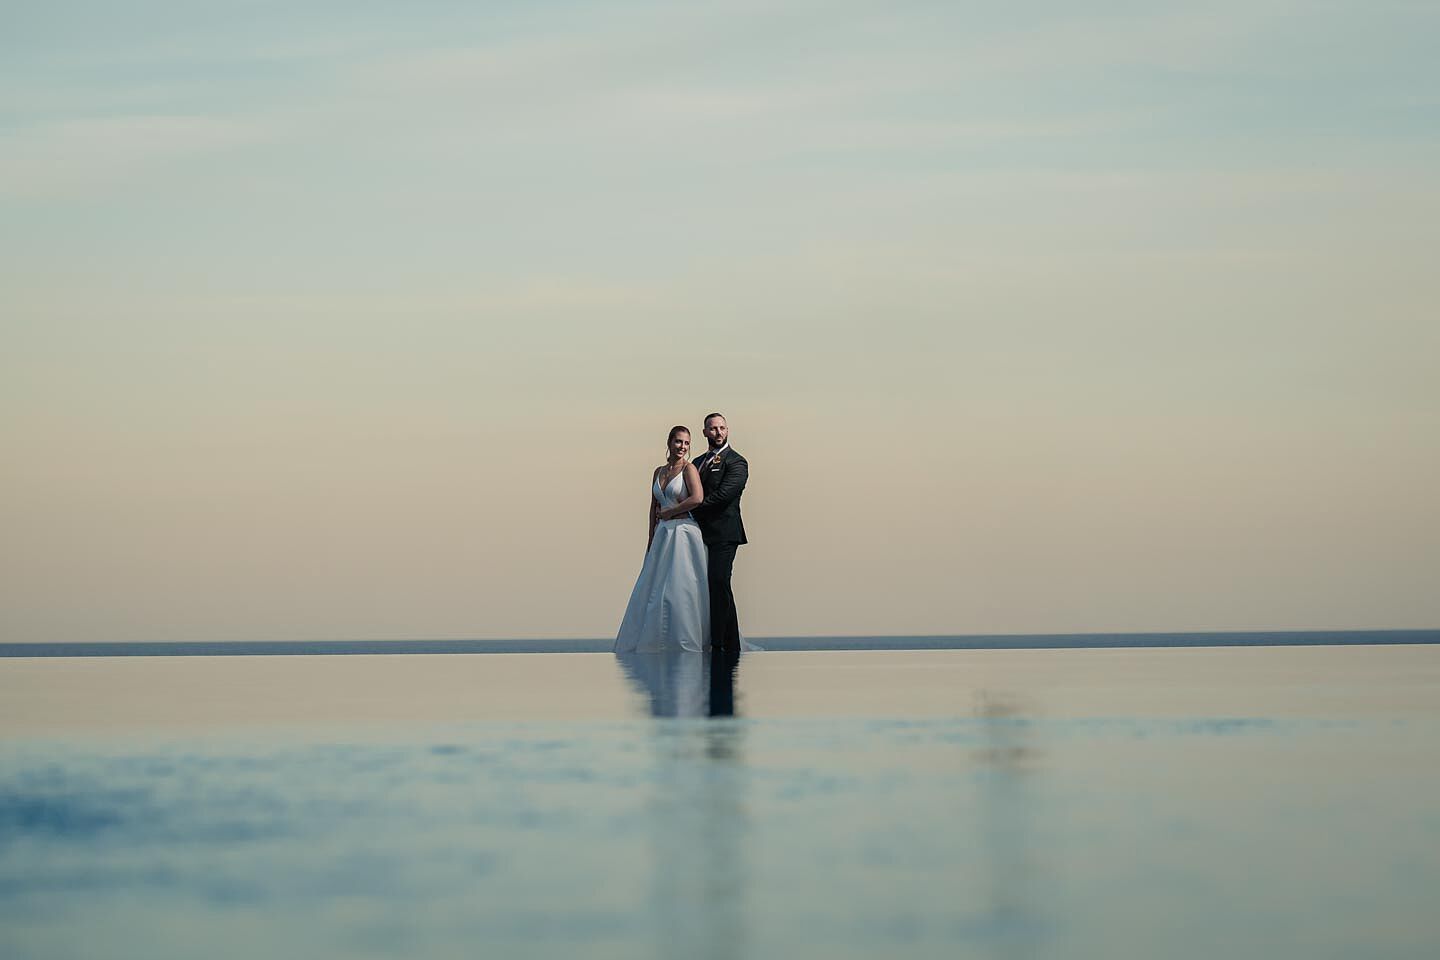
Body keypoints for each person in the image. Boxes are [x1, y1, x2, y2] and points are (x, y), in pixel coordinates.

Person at [614, 426, 710, 653]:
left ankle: (684, 640)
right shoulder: (658, 471)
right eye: (678, 442)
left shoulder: (689, 469)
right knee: (654, 587)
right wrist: (650, 536)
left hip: (683, 532)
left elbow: (697, 498)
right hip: (662, 534)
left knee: (680, 587)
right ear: (669, 443)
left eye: (687, 443)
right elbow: (653, 507)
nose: (682, 447)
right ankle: (654, 640)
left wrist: (670, 512)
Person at [661, 413, 747, 652]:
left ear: (727, 430)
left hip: (724, 534)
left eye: (722, 428)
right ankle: (716, 640)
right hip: (695, 534)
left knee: (719, 582)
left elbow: (723, 496)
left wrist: (689, 508)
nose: (718, 432)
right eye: (713, 428)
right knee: (699, 586)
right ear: (705, 432)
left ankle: (724, 643)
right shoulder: (696, 462)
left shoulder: (737, 462)